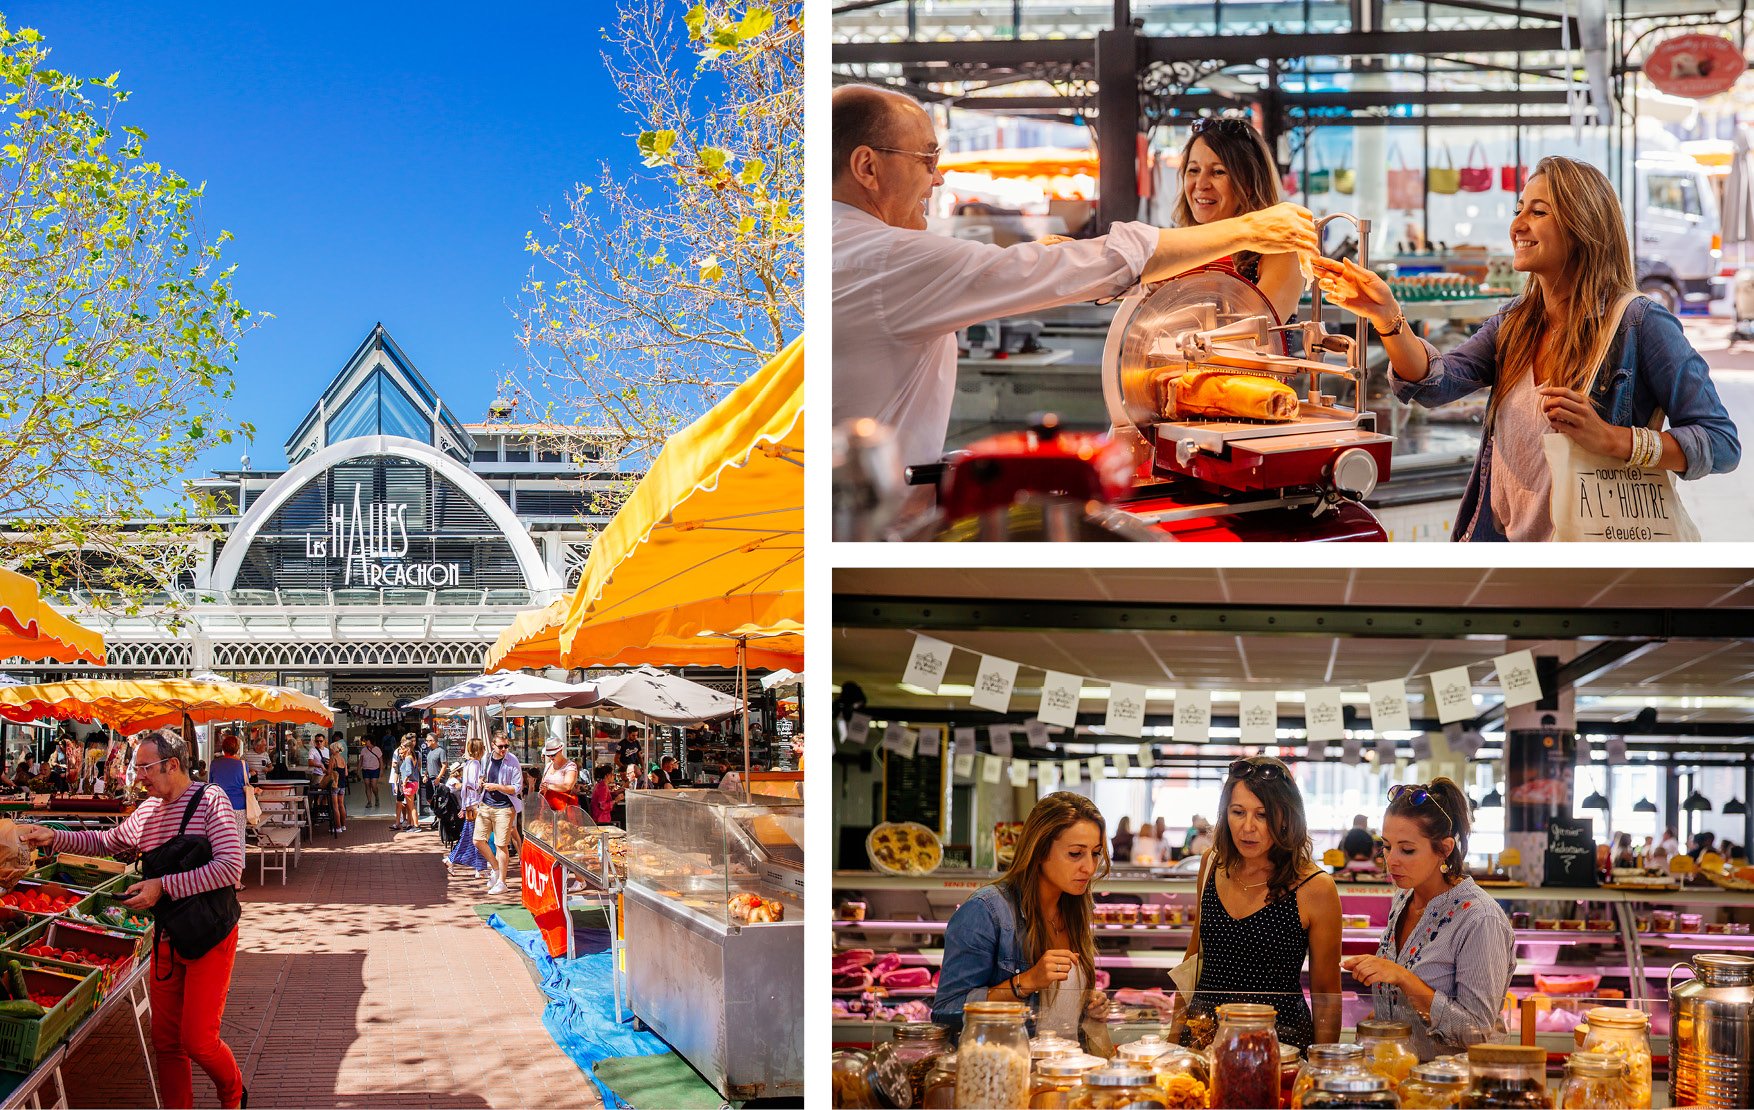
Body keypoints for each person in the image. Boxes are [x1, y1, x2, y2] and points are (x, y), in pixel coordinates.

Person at [830, 83, 1320, 470]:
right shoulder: (888, 258)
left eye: (1218, 171)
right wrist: (1062, 266)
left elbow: (1249, 336)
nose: (938, 178)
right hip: (1164, 418)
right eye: (927, 160)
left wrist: (1055, 263)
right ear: (867, 166)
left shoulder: (851, 247)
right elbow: (1049, 272)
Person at [1312, 156, 1739, 541]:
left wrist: (1612, 439)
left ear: (1583, 227)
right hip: (1505, 554)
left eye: (1538, 212)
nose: (1517, 225)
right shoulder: (1515, 322)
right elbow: (1434, 383)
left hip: (1593, 563)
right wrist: (1388, 317)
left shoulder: (1640, 323)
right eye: (1519, 210)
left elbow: (1721, 442)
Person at [18, 732, 246, 1109]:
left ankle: (233, 1092)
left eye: (145, 768)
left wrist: (162, 886)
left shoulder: (211, 800)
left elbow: (230, 867)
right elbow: (105, 842)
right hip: (168, 936)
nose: (138, 776)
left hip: (211, 935)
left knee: (199, 1040)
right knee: (166, 1042)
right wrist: (53, 837)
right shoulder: (147, 811)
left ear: (172, 765)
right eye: (137, 768)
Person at [1341, 779, 1517, 1061]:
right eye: (1386, 846)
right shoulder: (1403, 898)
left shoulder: (1480, 918)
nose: (1391, 860)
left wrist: (1403, 977)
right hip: (1399, 1074)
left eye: (1407, 850)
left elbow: (1478, 1033)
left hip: (1454, 1083)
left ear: (1444, 849)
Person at [1179, 757, 1343, 1051]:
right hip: (1204, 1038)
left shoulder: (1315, 886)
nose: (1248, 827)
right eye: (1238, 812)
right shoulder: (1211, 864)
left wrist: (1323, 1067)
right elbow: (1193, 958)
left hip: (1279, 1046)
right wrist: (1174, 1042)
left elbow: (1326, 996)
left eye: (1263, 815)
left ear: (1287, 817)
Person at [933, 792, 1110, 1038]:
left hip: (1065, 1061)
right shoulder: (986, 910)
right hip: (1007, 1060)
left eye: (1096, 853)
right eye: (1075, 854)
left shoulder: (1075, 908)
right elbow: (945, 1011)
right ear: (1040, 850)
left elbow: (1054, 1010)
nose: (1089, 868)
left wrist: (1086, 1004)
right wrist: (1026, 982)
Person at [1172, 116, 1305, 323]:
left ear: (1249, 183)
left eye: (1218, 172)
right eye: (1193, 170)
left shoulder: (1283, 250)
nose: (1201, 184)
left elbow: (1254, 327)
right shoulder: (1183, 249)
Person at [473, 733, 522, 896]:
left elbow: (517, 787)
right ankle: (495, 868)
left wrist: (497, 786)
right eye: (500, 746)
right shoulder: (486, 758)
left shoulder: (512, 760)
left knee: (501, 845)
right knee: (478, 840)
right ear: (493, 745)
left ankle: (502, 882)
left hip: (504, 808)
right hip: (485, 804)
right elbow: (482, 775)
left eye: (506, 746)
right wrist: (481, 781)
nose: (503, 749)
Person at [207, 735, 250, 892]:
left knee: (217, 840)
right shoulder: (242, 765)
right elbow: (246, 783)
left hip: (218, 806)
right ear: (237, 749)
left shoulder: (214, 764)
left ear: (223, 748)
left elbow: (210, 783)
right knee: (239, 841)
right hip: (238, 806)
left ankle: (218, 878)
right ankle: (237, 881)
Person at [447, 737, 491, 880]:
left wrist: (464, 806)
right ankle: (477, 867)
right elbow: (472, 785)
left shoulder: (467, 764)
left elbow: (465, 787)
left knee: (472, 836)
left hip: (470, 804)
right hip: (474, 804)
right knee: (478, 837)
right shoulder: (475, 764)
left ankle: (479, 867)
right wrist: (481, 783)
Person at [393, 738, 420, 832]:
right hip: (413, 782)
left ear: (407, 748)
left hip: (409, 783)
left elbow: (409, 771)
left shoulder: (408, 758)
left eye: (403, 747)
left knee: (411, 806)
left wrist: (405, 781)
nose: (401, 749)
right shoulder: (412, 756)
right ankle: (413, 824)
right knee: (411, 806)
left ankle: (415, 825)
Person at [421, 733, 444, 824]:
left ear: (433, 741)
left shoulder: (441, 751)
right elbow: (428, 764)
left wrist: (439, 777)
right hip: (430, 778)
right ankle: (437, 813)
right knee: (429, 797)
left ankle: (439, 817)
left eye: (428, 740)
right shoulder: (429, 751)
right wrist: (425, 775)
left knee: (438, 798)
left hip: (436, 778)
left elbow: (444, 765)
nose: (426, 742)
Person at [358, 736, 382, 810]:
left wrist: (381, 770)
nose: (365, 742)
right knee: (367, 785)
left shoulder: (377, 749)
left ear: (370, 741)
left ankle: (376, 797)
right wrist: (358, 769)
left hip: (375, 769)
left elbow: (381, 761)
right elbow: (361, 760)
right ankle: (369, 802)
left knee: (374, 785)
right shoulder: (363, 750)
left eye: (366, 741)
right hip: (365, 770)